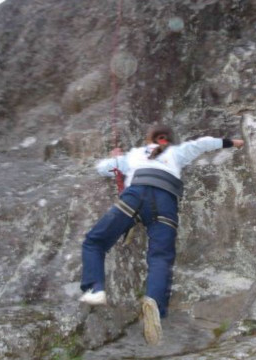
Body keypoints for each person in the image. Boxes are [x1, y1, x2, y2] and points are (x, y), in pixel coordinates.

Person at [79, 124, 244, 345]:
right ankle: (155, 302)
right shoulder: (178, 152)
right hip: (166, 200)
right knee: (160, 257)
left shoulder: (135, 154)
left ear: (149, 140)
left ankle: (94, 288)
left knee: (95, 242)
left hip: (136, 194)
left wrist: (115, 158)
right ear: (170, 140)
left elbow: (102, 168)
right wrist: (232, 142)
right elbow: (203, 143)